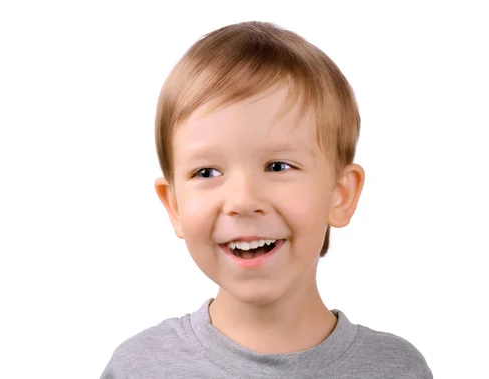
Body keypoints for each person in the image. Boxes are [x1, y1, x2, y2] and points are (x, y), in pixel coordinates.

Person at [101, 21, 432, 378]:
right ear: (175, 206)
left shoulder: (395, 370)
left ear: (341, 194)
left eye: (277, 166)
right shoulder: (139, 368)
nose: (243, 201)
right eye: (207, 172)